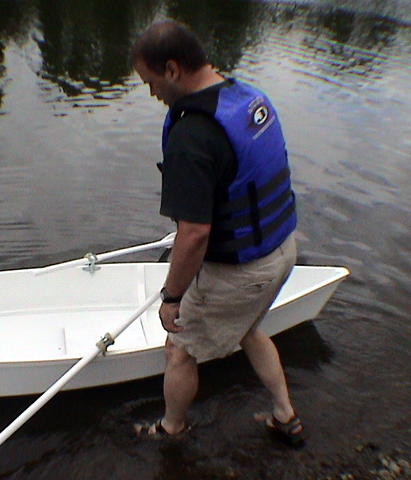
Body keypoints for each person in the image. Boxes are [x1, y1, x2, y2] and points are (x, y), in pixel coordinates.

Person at [130, 20, 304, 445]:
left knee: (179, 348)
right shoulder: (247, 98)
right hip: (283, 250)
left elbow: (194, 234)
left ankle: (171, 430)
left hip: (244, 271)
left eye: (151, 82)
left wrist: (172, 297)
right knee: (248, 326)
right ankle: (285, 416)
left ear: (172, 69)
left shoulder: (193, 133)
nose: (151, 93)